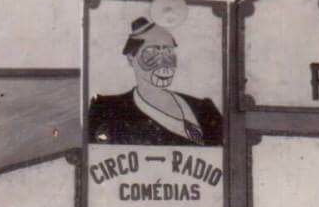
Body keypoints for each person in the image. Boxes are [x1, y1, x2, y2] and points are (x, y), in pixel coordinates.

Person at [88, 17, 222, 146]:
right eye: (152, 53)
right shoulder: (107, 110)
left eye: (169, 51)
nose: (164, 62)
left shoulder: (204, 109)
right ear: (131, 58)